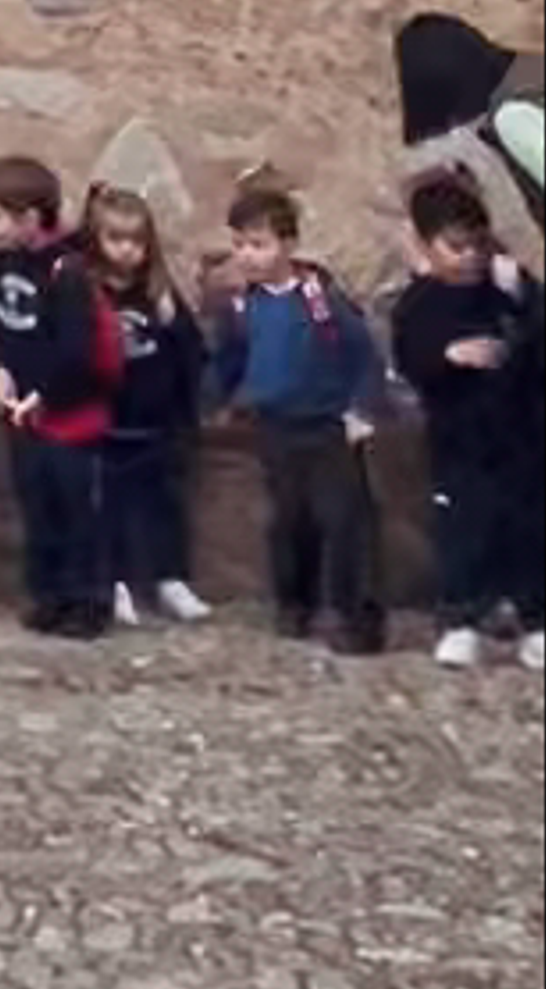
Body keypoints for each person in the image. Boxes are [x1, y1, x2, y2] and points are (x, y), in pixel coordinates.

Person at [207, 177, 386, 654]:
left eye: (259, 244)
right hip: (275, 427)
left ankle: (354, 617)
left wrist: (362, 408)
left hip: (328, 426)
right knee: (288, 522)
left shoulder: (320, 300)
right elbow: (226, 360)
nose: (247, 255)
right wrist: (216, 401)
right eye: (240, 244)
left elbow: (361, 354)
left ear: (288, 244)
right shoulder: (240, 306)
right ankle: (295, 605)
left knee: (345, 521)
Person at [392, 175, 543, 668]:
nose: (470, 258)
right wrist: (448, 355)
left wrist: (523, 290)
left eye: (477, 246)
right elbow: (412, 359)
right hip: (459, 443)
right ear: (426, 246)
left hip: (521, 437)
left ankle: (533, 619)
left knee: (527, 529)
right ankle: (461, 620)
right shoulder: (420, 303)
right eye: (455, 248)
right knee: (465, 531)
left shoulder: (506, 290)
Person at [0, 163, 116, 639]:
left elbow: (73, 347)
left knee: (75, 510)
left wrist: (42, 393)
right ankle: (48, 595)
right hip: (22, 413)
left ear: (30, 218)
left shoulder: (67, 271)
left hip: (67, 414)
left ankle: (88, 602)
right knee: (36, 507)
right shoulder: (3, 264)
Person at [81, 185, 210, 629]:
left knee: (164, 505)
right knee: (109, 510)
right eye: (116, 239)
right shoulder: (86, 290)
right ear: (96, 240)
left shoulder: (159, 292)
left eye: (136, 241)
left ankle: (169, 577)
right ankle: (114, 582)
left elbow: (191, 352)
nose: (127, 251)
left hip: (156, 422)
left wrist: (173, 324)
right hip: (106, 422)